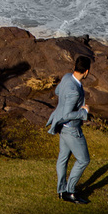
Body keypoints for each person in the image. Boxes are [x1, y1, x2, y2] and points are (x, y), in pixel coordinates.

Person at [46, 54, 92, 204]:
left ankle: (61, 191)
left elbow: (58, 92)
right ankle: (70, 191)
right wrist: (83, 112)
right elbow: (67, 114)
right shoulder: (75, 90)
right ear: (86, 71)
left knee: (63, 158)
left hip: (62, 128)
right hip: (71, 129)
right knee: (83, 160)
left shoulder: (66, 77)